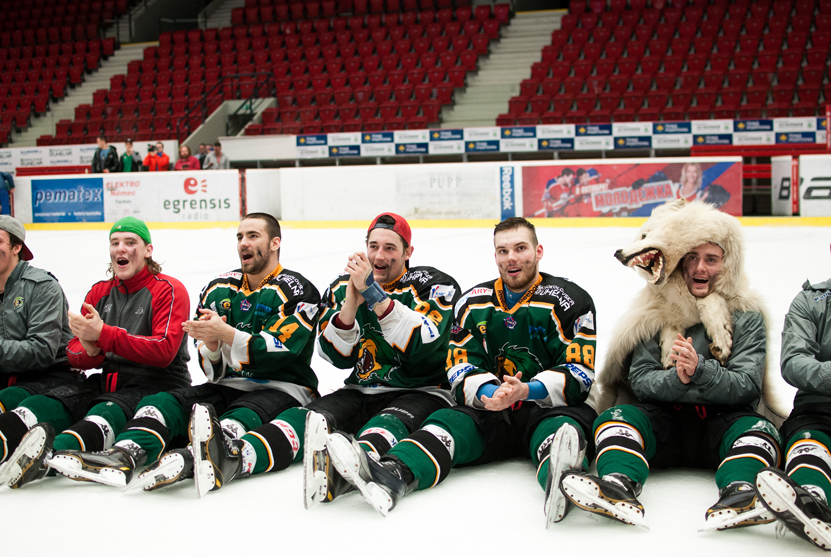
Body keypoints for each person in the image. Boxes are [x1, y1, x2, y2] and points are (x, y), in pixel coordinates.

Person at [129, 213, 460, 503]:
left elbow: (423, 345)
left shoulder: (433, 285)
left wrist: (374, 295)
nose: (379, 255)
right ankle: (234, 458)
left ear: (408, 252)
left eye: (390, 248)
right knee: (306, 420)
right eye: (373, 246)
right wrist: (350, 303)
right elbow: (336, 356)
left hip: (420, 390)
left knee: (384, 426)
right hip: (359, 389)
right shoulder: (344, 286)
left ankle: (355, 470)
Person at [322, 217, 597, 520]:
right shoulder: (473, 303)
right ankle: (393, 473)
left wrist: (526, 390)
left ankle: (561, 483)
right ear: (495, 256)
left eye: (521, 248)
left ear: (538, 251)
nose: (512, 258)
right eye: (503, 251)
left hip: (550, 407)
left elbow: (580, 371)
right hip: (492, 408)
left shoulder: (571, 301)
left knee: (560, 432)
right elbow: (460, 364)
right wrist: (493, 393)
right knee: (444, 423)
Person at [36, 213, 321, 497]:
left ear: (275, 243)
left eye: (253, 236)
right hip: (227, 385)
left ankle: (192, 458)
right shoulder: (219, 287)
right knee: (162, 403)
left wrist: (225, 333)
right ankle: (124, 454)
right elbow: (211, 370)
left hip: (283, 387)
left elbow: (277, 351)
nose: (243, 243)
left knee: (241, 415)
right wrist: (212, 346)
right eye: (239, 237)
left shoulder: (297, 289)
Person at [560, 241, 781, 529]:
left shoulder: (747, 314)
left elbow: (747, 384)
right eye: (692, 258)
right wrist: (678, 378)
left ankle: (740, 492)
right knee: (615, 418)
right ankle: (617, 485)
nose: (700, 267)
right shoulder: (656, 310)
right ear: (680, 264)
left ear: (727, 266)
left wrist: (701, 371)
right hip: (664, 421)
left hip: (724, 421)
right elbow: (641, 380)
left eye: (711, 259)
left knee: (760, 430)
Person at [0, 217, 192, 489]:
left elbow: (163, 351)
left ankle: (48, 457)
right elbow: (74, 351)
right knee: (53, 400)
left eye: (130, 242)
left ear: (148, 250)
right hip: (109, 382)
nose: (121, 248)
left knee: (105, 412)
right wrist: (91, 348)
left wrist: (104, 335)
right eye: (115, 243)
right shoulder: (99, 292)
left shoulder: (168, 289)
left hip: (158, 383)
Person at [754, 275, 831, 550]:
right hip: (818, 409)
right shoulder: (811, 300)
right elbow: (794, 362)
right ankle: (810, 501)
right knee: (809, 445)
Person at [0, 215, 80, 406]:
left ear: (17, 247)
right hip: (6, 379)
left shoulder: (42, 286)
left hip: (52, 377)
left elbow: (42, 351)